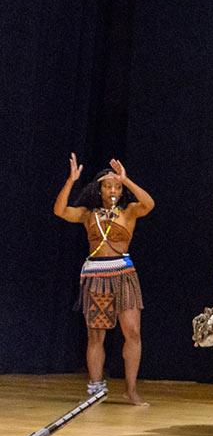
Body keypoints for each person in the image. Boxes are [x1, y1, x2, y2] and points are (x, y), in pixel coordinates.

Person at [54, 154, 155, 406]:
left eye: (117, 186)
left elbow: (149, 203)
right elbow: (60, 211)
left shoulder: (129, 212)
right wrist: (71, 180)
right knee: (96, 335)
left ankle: (130, 390)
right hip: (96, 274)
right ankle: (96, 389)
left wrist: (127, 179)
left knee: (132, 332)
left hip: (123, 274)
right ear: (98, 189)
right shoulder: (88, 215)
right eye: (108, 185)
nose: (113, 189)